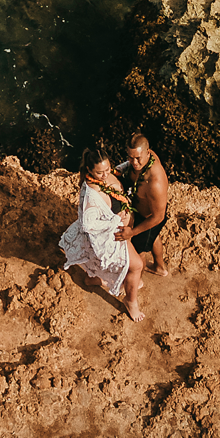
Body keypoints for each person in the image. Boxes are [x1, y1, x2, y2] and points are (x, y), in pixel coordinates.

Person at [58, 143, 145, 322]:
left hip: (121, 228)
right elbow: (87, 224)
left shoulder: (109, 174)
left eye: (107, 169)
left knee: (118, 267)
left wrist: (140, 161)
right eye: (100, 172)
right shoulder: (91, 194)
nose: (105, 174)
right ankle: (131, 302)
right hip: (113, 234)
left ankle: (94, 280)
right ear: (90, 170)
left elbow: (123, 168)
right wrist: (115, 220)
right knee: (136, 266)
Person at [120, 132, 170, 275]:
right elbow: (130, 163)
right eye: (130, 157)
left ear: (147, 153)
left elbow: (158, 217)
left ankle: (137, 281)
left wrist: (132, 232)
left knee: (138, 250)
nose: (134, 162)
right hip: (140, 209)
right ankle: (160, 267)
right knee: (154, 238)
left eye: (138, 158)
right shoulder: (145, 157)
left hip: (149, 217)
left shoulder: (155, 183)